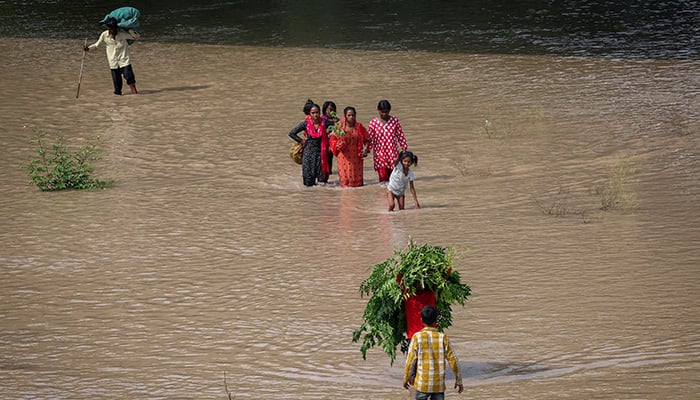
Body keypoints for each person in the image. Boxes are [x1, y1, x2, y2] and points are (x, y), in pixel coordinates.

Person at [403, 305, 464, 399]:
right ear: (436, 321)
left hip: (422, 384)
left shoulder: (417, 337)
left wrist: (406, 378)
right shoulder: (443, 337)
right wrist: (458, 380)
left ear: (421, 320)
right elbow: (453, 360)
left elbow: (410, 361)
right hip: (438, 385)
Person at [84, 17, 140, 95]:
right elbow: (97, 45)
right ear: (108, 28)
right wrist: (88, 49)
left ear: (117, 28)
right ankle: (117, 102)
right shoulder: (104, 35)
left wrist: (128, 29)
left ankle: (136, 96)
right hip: (113, 63)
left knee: (131, 81)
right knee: (117, 87)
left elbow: (136, 37)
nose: (112, 31)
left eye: (114, 28)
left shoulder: (122, 34)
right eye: (111, 29)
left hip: (124, 61)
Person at [288, 102, 330, 186]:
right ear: (309, 114)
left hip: (321, 155)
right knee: (308, 183)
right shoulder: (305, 124)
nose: (315, 115)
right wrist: (301, 140)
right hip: (308, 155)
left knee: (323, 183)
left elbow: (338, 128)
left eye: (317, 112)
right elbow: (292, 133)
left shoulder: (325, 123)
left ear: (320, 113)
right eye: (313, 113)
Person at [367, 99, 408, 183]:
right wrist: (367, 150)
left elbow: (400, 135)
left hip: (393, 155)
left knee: (393, 179)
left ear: (389, 111)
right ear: (378, 111)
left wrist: (404, 149)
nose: (384, 114)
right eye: (382, 112)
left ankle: (391, 195)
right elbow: (370, 139)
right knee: (383, 179)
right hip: (380, 155)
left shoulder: (395, 121)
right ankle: (382, 195)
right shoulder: (373, 123)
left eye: (386, 112)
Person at [329, 106, 370, 187]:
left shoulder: (359, 127)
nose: (351, 117)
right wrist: (338, 145)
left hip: (356, 157)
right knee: (345, 182)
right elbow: (332, 140)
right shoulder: (339, 127)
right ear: (345, 116)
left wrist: (365, 149)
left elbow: (367, 139)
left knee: (357, 184)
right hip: (344, 158)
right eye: (349, 115)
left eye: (353, 115)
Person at [322, 101, 338, 182]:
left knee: (330, 161)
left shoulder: (336, 120)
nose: (332, 112)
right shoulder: (322, 120)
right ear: (325, 110)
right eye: (330, 110)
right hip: (324, 144)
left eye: (333, 110)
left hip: (333, 144)